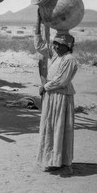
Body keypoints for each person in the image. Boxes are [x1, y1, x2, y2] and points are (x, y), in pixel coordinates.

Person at [34, 11, 78, 175]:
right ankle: (51, 160)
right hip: (51, 97)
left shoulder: (69, 60)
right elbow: (39, 46)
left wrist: (45, 87)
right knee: (50, 127)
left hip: (61, 98)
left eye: (59, 44)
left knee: (60, 128)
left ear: (68, 46)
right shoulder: (55, 56)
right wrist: (37, 24)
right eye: (54, 43)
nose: (55, 46)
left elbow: (61, 81)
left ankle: (63, 162)